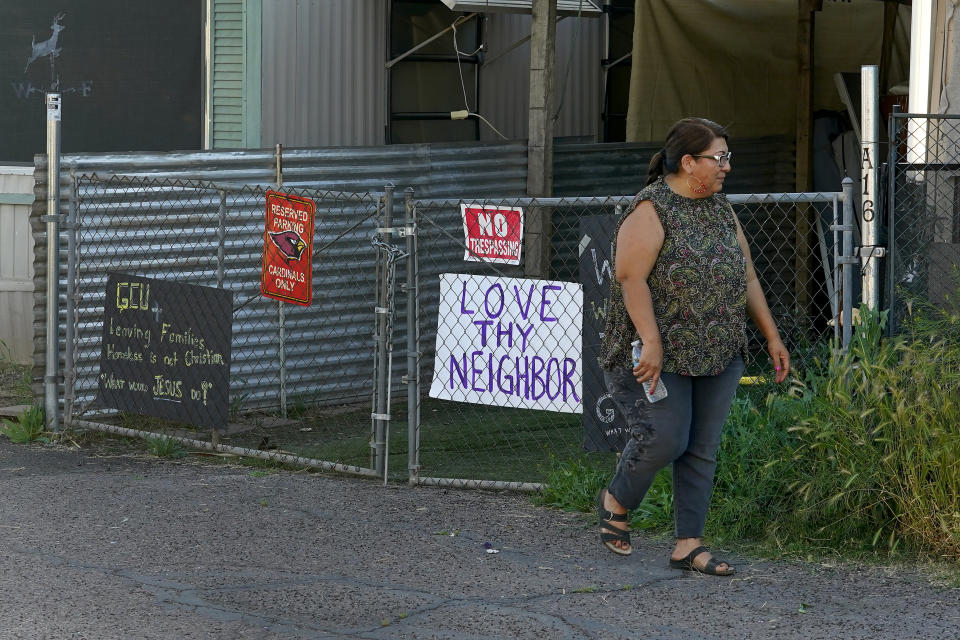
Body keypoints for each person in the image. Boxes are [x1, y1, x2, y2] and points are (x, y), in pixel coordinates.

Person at [596, 117, 790, 576]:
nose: (726, 167)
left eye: (728, 158)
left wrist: (772, 336)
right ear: (688, 163)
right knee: (665, 437)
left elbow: (747, 276)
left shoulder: (720, 208)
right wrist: (653, 341)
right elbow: (631, 278)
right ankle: (617, 499)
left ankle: (689, 545)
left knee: (702, 447)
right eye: (718, 158)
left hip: (718, 351)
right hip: (658, 355)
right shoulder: (651, 208)